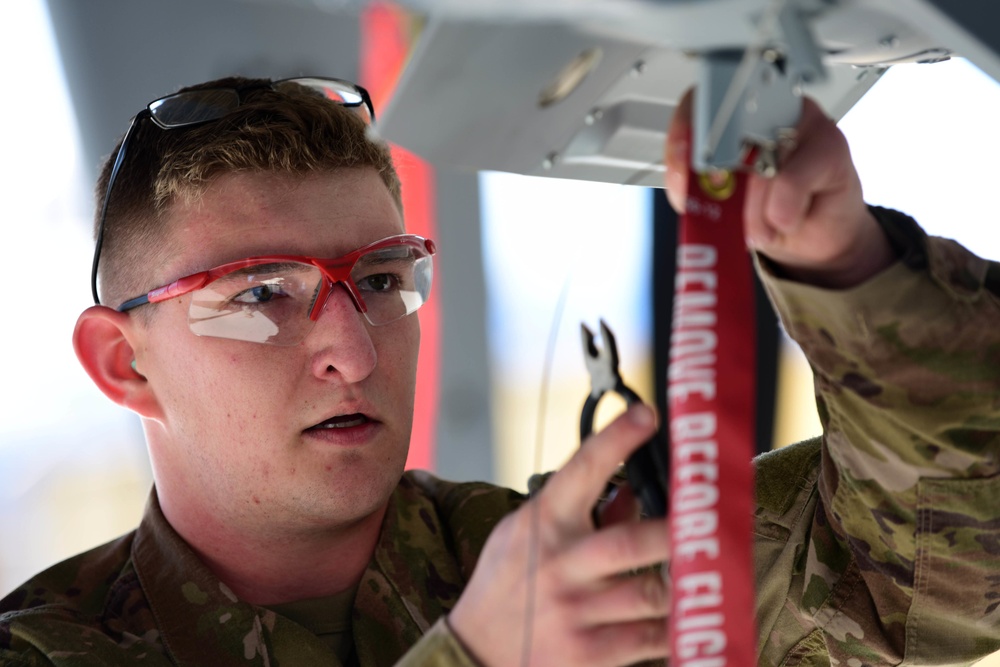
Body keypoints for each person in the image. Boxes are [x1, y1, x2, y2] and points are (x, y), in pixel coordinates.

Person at [0, 72, 997, 667]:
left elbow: (944, 567)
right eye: (260, 293)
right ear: (124, 362)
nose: (352, 345)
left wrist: (846, 271)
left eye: (383, 279)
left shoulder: (559, 568)